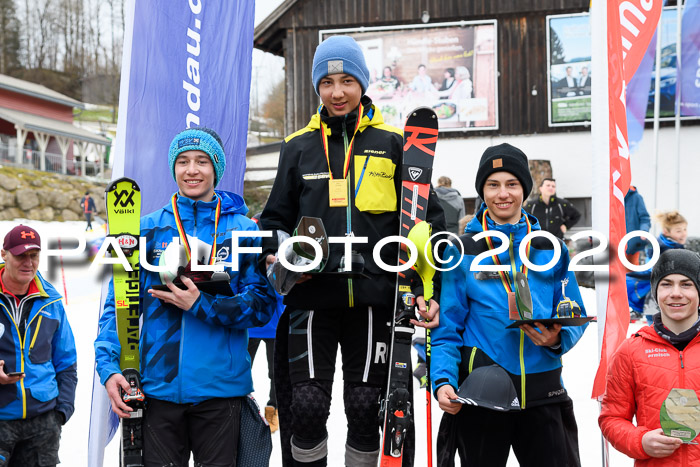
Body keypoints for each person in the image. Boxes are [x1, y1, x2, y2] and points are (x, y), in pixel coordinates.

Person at [259, 35, 445, 466]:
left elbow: (428, 221)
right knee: (304, 410)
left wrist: (424, 280)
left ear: (362, 83)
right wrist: (281, 252)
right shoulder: (298, 146)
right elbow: (272, 222)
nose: (337, 92)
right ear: (317, 88)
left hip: (373, 301)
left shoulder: (392, 143)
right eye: (326, 82)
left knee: (365, 410)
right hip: (310, 299)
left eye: (346, 80)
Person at [94, 127, 277, 466]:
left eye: (202, 161)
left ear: (216, 168)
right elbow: (118, 306)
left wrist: (200, 304)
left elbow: (262, 306)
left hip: (221, 391)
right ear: (173, 167)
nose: (192, 170)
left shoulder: (243, 230)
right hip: (156, 391)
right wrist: (108, 369)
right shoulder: (145, 229)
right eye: (183, 161)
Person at [431, 143, 587, 467]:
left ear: (525, 190)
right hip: (482, 391)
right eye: (493, 184)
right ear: (482, 191)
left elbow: (573, 308)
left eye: (511, 184)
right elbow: (448, 328)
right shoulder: (461, 249)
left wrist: (558, 338)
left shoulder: (550, 247)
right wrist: (443, 380)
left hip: (544, 389)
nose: (503, 194)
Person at [599, 249, 700, 466]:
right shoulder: (631, 351)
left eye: (686, 284)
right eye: (666, 284)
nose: (676, 293)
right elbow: (611, 418)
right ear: (655, 292)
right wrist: (640, 440)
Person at [0, 224, 77, 467]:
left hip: (43, 423)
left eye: (33, 256)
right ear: (4, 254)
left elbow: (67, 363)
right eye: (20, 255)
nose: (28, 263)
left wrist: (61, 412)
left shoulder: (51, 302)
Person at [249, 212, 284, 434]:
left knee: (277, 372)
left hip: (275, 320)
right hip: (250, 321)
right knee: (242, 368)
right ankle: (244, 409)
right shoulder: (249, 235)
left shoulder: (281, 237)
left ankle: (274, 408)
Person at [624, 186, 652, 266]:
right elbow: (602, 220)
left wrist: (644, 230)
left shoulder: (636, 198)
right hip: (615, 245)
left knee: (631, 273)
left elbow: (644, 218)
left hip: (632, 245)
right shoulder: (610, 198)